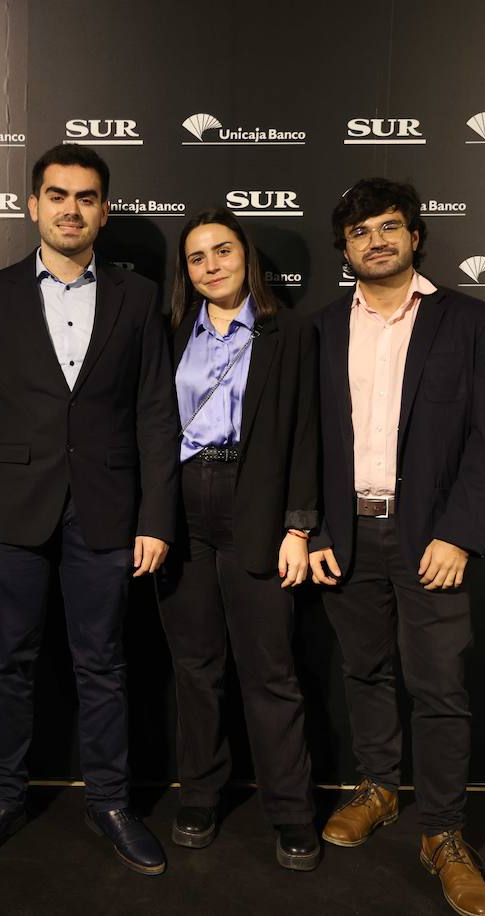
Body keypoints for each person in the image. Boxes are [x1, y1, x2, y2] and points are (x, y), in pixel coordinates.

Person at [0, 143, 180, 876]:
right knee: (7, 662)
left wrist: (155, 518)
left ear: (103, 210)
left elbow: (154, 418)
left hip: (107, 513)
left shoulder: (138, 299)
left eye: (85, 197)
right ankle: (1, 797)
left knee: (103, 663)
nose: (70, 208)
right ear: (33, 204)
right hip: (11, 510)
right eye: (57, 195)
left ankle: (111, 802)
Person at [309, 178, 485, 916]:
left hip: (431, 534)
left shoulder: (471, 322)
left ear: (416, 235)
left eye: (389, 226)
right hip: (348, 533)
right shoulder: (324, 327)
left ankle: (444, 833)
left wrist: (460, 531)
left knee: (438, 687)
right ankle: (378, 788)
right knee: (363, 670)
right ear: (346, 248)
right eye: (360, 232)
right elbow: (308, 441)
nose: (376, 241)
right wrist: (316, 528)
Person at [157, 209, 320, 870]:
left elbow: (309, 431)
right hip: (182, 509)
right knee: (196, 667)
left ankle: (292, 811)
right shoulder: (169, 334)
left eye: (222, 251)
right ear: (186, 272)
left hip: (258, 509)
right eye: (197, 258)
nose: (211, 265)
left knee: (270, 670)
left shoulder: (290, 333)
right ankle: (198, 793)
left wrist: (299, 526)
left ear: (245, 255)